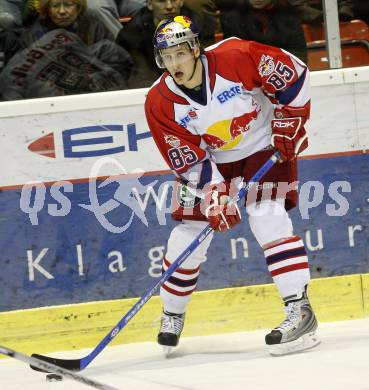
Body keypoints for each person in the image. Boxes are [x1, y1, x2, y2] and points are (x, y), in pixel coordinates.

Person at [144, 15, 320, 356]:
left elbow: (294, 75)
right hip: (210, 162)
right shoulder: (159, 102)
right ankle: (172, 313)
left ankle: (299, 309)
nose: (173, 64)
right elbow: (190, 160)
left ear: (195, 48)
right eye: (166, 57)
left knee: (266, 215)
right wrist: (214, 195)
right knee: (188, 235)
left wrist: (292, 120)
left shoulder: (237, 56)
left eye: (179, 54)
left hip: (263, 148)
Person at [0, 0, 132, 100]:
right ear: (47, 9)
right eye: (56, 6)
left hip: (96, 94)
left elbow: (116, 62)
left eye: (68, 4)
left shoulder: (94, 26)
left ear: (78, 7)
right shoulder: (31, 36)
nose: (62, 11)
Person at [115, 0, 216, 88]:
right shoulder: (131, 34)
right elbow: (142, 78)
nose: (169, 6)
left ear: (181, 1)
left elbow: (207, 62)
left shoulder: (198, 23)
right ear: (150, 4)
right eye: (161, 1)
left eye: (174, 0)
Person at [220, 0, 307, 63]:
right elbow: (231, 57)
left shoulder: (289, 14)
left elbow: (298, 54)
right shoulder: (232, 17)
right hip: (247, 78)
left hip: (282, 75)